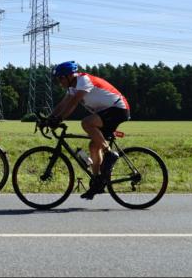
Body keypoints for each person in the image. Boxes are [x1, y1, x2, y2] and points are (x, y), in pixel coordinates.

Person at [46, 61, 130, 200]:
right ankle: (97, 183)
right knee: (92, 146)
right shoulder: (72, 87)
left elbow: (73, 103)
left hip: (118, 108)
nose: (59, 81)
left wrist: (59, 119)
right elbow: (63, 104)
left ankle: (109, 153)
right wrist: (49, 119)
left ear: (69, 76)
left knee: (87, 123)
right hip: (107, 111)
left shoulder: (83, 80)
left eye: (61, 78)